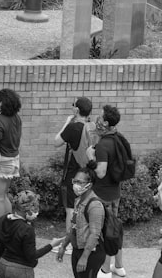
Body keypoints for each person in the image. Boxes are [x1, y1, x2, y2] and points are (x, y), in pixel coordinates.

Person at [89, 104, 127, 276]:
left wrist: (91, 159)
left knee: (105, 234)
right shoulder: (118, 138)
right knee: (115, 229)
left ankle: (104, 270)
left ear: (105, 122)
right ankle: (119, 267)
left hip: (102, 196)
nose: (98, 117)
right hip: (115, 193)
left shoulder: (104, 144)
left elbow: (101, 172)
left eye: (100, 115)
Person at [54, 97, 96, 245]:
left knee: (71, 208)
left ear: (77, 110)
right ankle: (84, 239)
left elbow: (56, 142)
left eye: (73, 106)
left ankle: (71, 243)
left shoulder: (73, 127)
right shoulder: (92, 126)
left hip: (73, 174)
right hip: (90, 173)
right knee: (87, 207)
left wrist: (67, 122)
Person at [0, 190, 58, 278]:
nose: (36, 212)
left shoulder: (2, 220)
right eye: (35, 208)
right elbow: (32, 256)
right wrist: (51, 245)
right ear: (28, 210)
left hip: (2, 265)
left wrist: (2, 264)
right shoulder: (27, 229)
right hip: (20, 270)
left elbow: (0, 247)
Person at [57, 168, 106, 278]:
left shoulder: (95, 205)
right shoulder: (78, 200)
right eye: (75, 181)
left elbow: (95, 234)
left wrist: (84, 257)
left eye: (80, 182)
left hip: (91, 253)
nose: (76, 185)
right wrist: (64, 245)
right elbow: (74, 226)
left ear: (89, 185)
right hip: (77, 249)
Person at [0, 88, 24, 227]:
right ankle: (9, 226)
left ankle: (0, 229)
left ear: (1, 102)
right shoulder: (16, 118)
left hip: (2, 160)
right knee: (4, 195)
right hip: (13, 159)